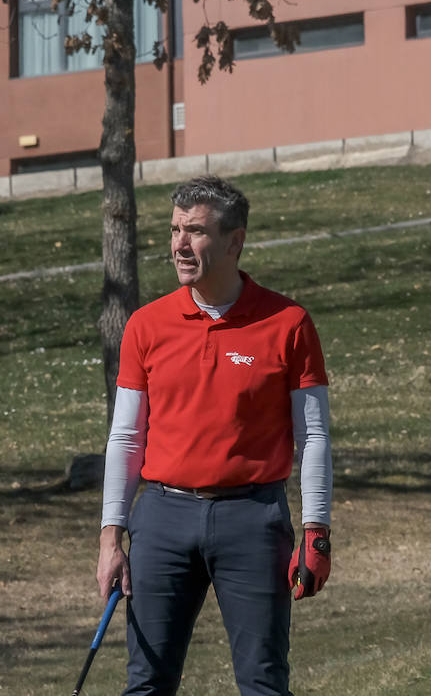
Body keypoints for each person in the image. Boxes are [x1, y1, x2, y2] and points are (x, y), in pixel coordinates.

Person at [95, 175, 334, 696]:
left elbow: (312, 435)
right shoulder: (146, 325)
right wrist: (111, 535)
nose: (180, 244)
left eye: (196, 231)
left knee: (263, 682)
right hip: (161, 520)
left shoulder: (288, 323)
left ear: (234, 241)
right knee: (146, 683)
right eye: (175, 229)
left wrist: (317, 529)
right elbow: (126, 438)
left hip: (252, 519)